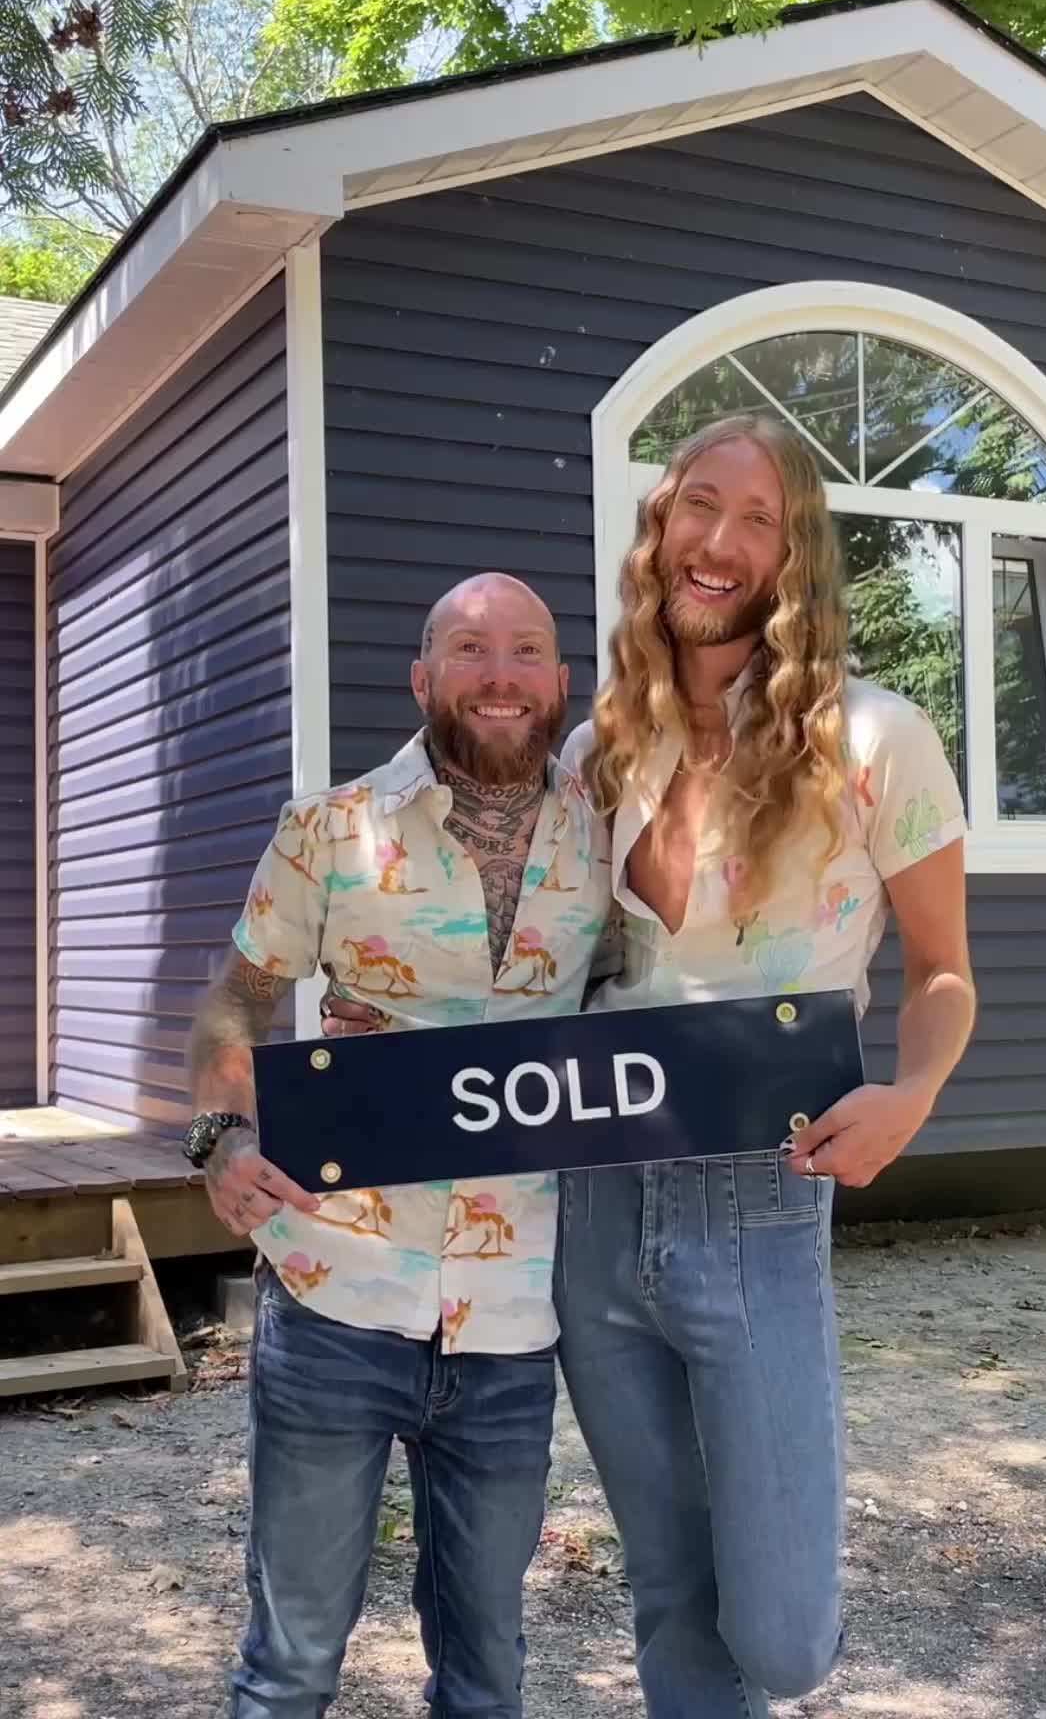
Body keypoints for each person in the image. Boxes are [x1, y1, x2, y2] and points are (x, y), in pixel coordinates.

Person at [555, 414, 977, 1718]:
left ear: (795, 560)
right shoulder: (597, 750)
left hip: (761, 1188)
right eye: (700, 504)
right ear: (660, 526)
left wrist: (911, 1096)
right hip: (596, 1193)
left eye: (760, 520)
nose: (721, 541)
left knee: (783, 1636)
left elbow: (943, 971)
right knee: (670, 1591)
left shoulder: (875, 739)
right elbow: (548, 974)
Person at [184, 572, 613, 1719]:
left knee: (487, 1679)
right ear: (423, 678)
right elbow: (235, 1006)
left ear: (560, 682)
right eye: (470, 649)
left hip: (511, 1322)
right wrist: (221, 1135)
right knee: (290, 1669)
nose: (499, 675)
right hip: (336, 1294)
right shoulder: (329, 829)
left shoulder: (609, 843)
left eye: (525, 650)